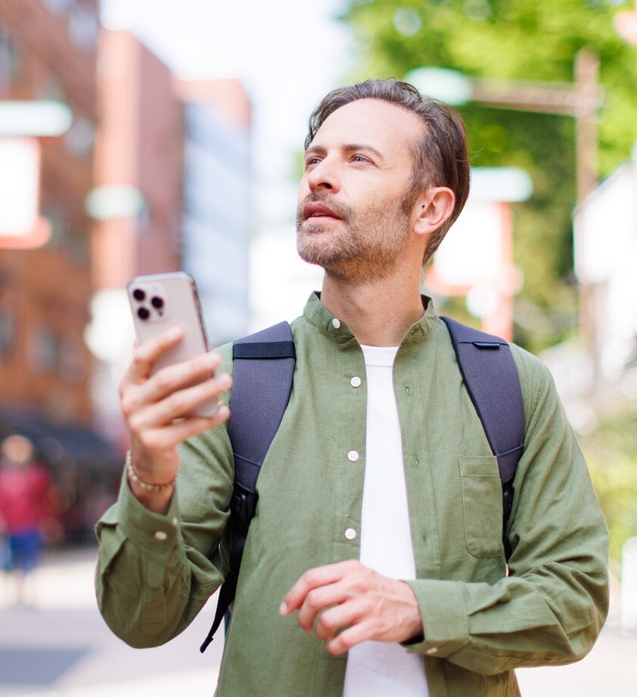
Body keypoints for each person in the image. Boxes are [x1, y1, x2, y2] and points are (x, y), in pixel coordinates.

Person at [95, 78, 610, 696]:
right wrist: (150, 476)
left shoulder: (510, 383)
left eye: (358, 159)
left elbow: (574, 601)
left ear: (429, 208)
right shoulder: (230, 381)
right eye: (315, 158)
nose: (319, 176)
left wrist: (418, 609)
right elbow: (140, 621)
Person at [0, 434, 57, 605]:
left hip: (30, 523)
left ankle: (27, 590)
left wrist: (47, 520)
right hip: (8, 524)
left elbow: (45, 500)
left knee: (29, 557)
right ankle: (16, 590)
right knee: (9, 558)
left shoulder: (37, 474)